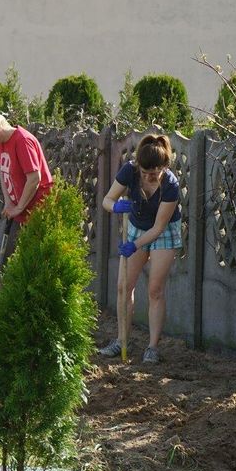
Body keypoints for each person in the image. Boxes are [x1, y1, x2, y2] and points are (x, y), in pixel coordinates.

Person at [98, 134, 182, 364]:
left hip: (162, 233)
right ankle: (121, 341)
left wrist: (134, 246)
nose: (147, 177)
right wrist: (116, 206)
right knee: (124, 287)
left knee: (155, 289)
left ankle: (152, 347)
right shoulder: (130, 170)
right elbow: (106, 199)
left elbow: (158, 228)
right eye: (144, 173)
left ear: (163, 167)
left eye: (153, 174)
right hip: (135, 227)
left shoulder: (171, 186)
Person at [0, 110, 54, 284]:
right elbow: (3, 171)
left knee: (30, 256)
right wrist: (8, 202)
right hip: (17, 207)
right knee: (0, 251)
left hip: (36, 208)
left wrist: (19, 207)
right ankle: (7, 294)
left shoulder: (23, 141)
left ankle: (19, 293)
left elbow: (34, 178)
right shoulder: (2, 143)